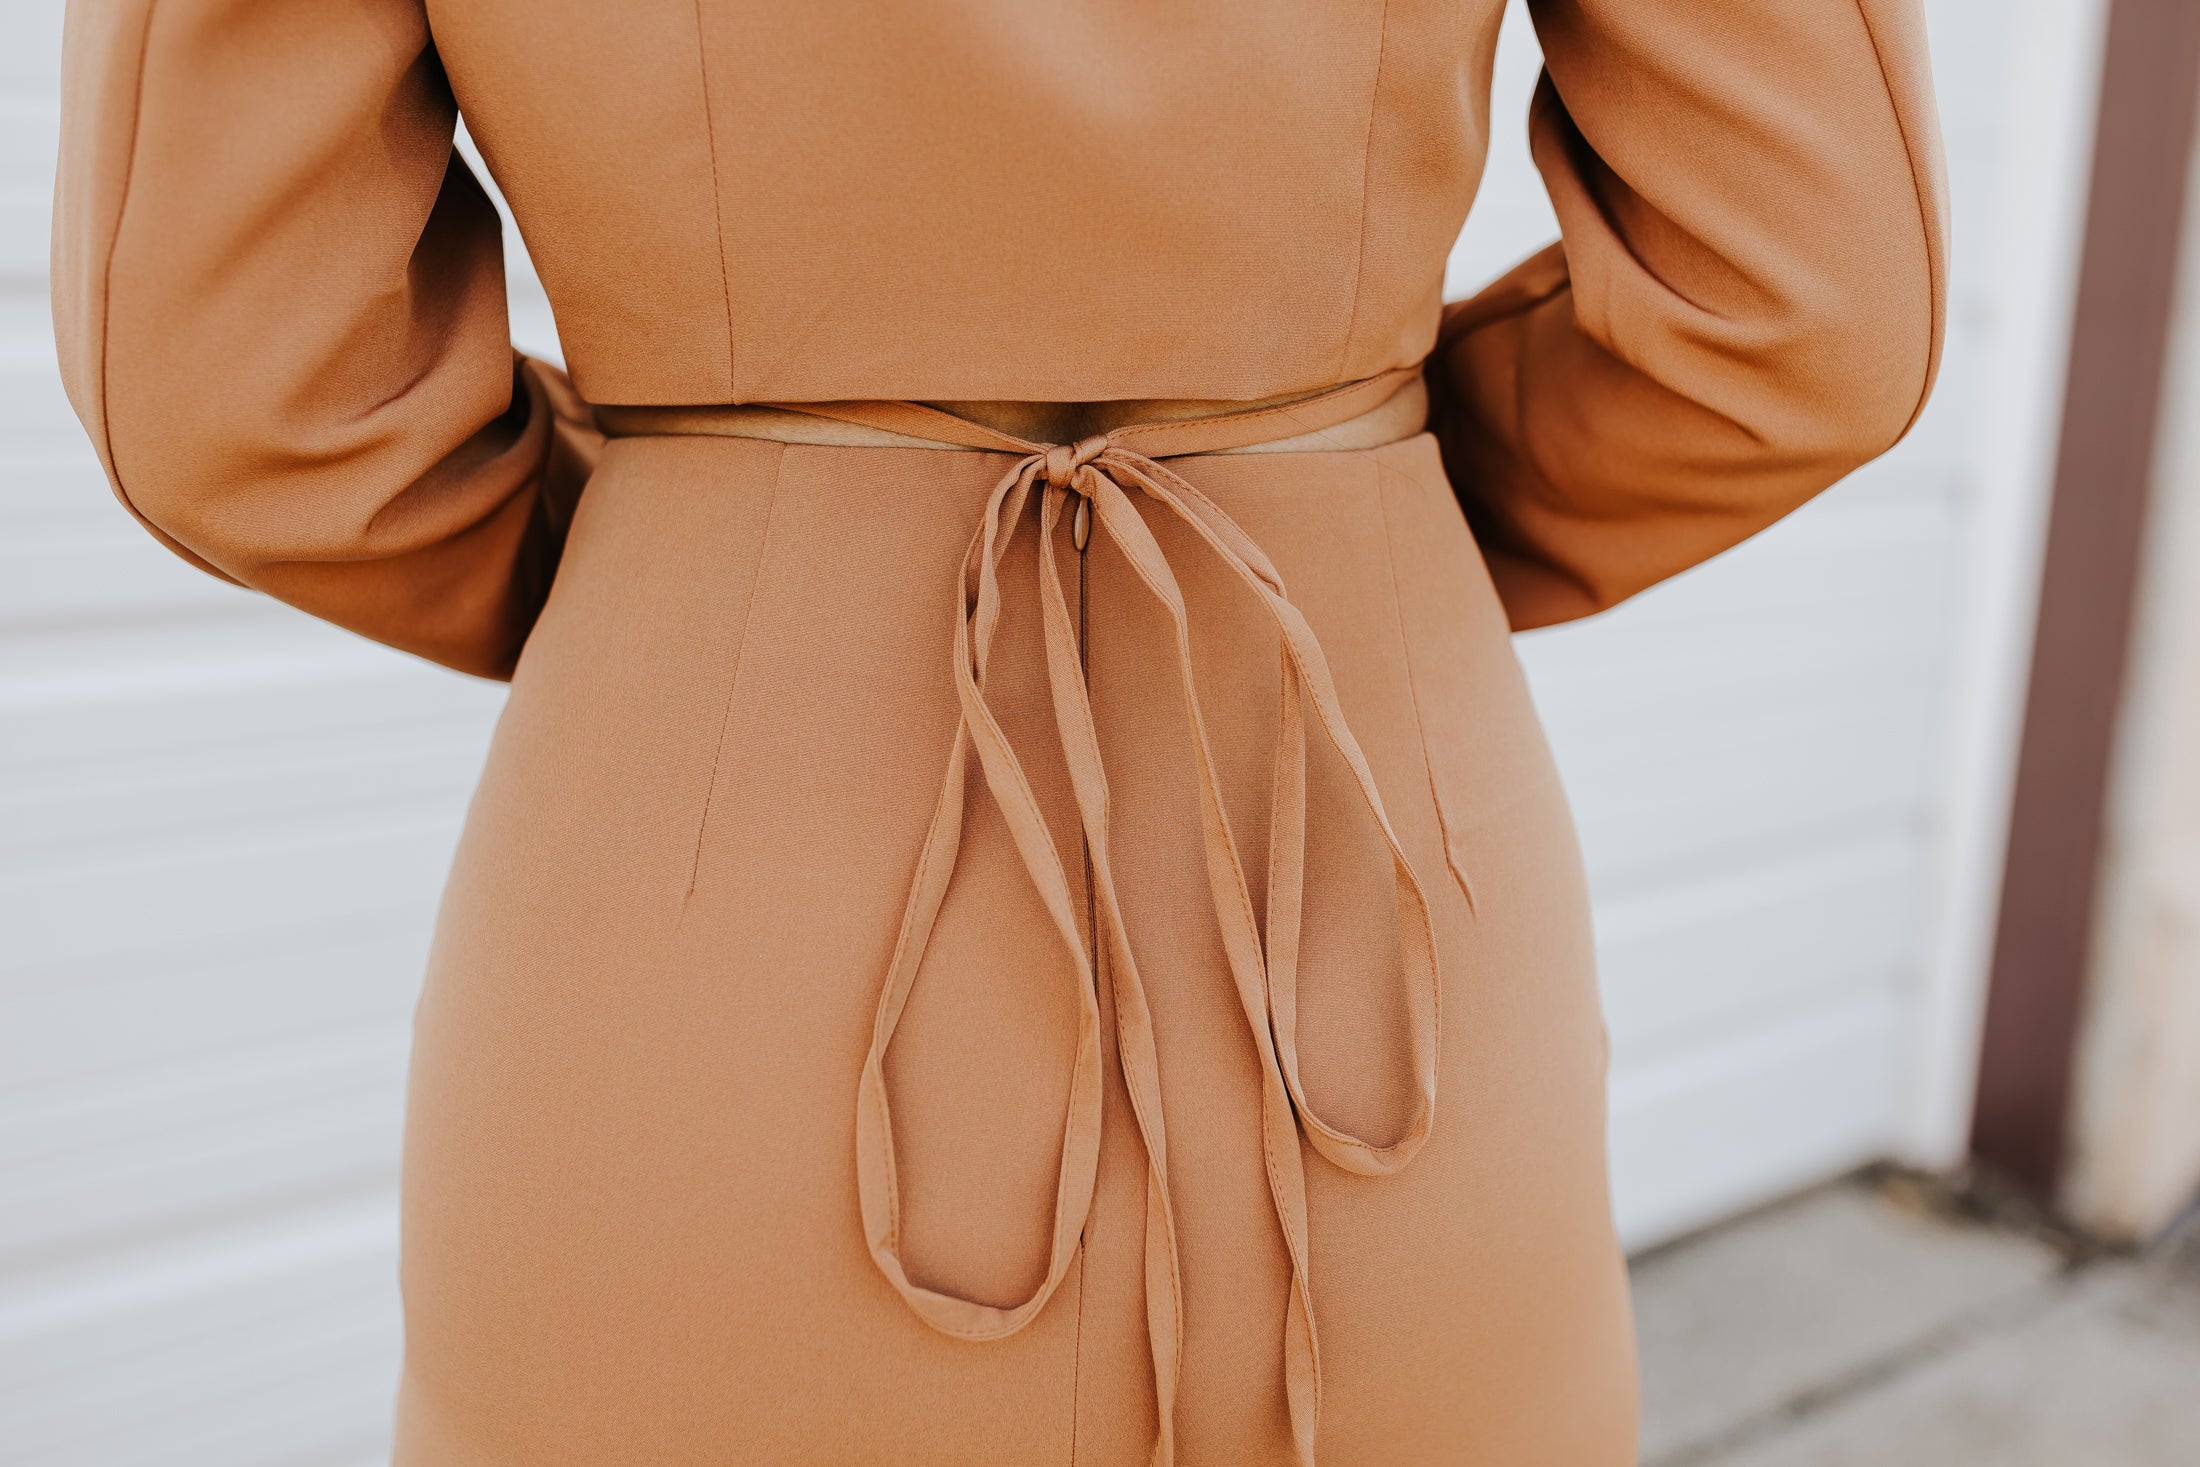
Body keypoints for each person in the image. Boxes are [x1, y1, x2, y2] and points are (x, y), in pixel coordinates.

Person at [52, 1, 1944, 1462]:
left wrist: (699, 561)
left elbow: (229, 393)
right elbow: (1804, 313)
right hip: (1362, 904)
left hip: (698, 944)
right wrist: (1348, 513)